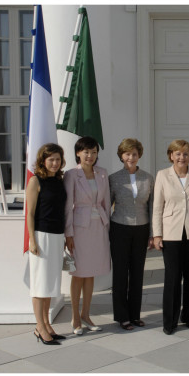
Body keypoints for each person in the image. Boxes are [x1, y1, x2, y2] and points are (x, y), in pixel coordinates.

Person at [153, 139, 189, 335]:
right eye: (177, 153)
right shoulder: (162, 175)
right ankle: (169, 321)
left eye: (185, 154)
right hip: (171, 233)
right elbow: (157, 208)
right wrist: (157, 234)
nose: (181, 157)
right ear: (171, 155)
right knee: (172, 278)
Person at [64, 136, 111, 335]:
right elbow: (67, 207)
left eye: (93, 152)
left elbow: (106, 203)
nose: (90, 156)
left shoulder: (102, 173)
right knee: (78, 273)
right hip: (79, 227)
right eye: (86, 152)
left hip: (98, 226)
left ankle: (86, 314)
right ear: (78, 153)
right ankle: (75, 317)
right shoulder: (71, 175)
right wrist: (69, 233)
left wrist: (107, 226)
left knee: (91, 272)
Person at [109, 138, 154, 331]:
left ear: (139, 155)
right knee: (120, 273)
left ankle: (135, 315)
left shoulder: (148, 178)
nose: (131, 157)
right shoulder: (113, 178)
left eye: (134, 154)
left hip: (142, 229)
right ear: (121, 156)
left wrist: (153, 234)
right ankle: (122, 316)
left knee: (137, 273)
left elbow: (152, 207)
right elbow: (106, 205)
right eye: (127, 154)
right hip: (119, 227)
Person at [26, 143, 67, 345]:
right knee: (39, 285)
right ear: (43, 160)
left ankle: (47, 324)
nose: (54, 163)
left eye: (58, 159)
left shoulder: (59, 181)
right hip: (41, 236)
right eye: (51, 159)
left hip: (57, 236)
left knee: (50, 283)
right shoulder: (35, 181)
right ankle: (39, 327)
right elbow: (30, 214)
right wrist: (32, 240)